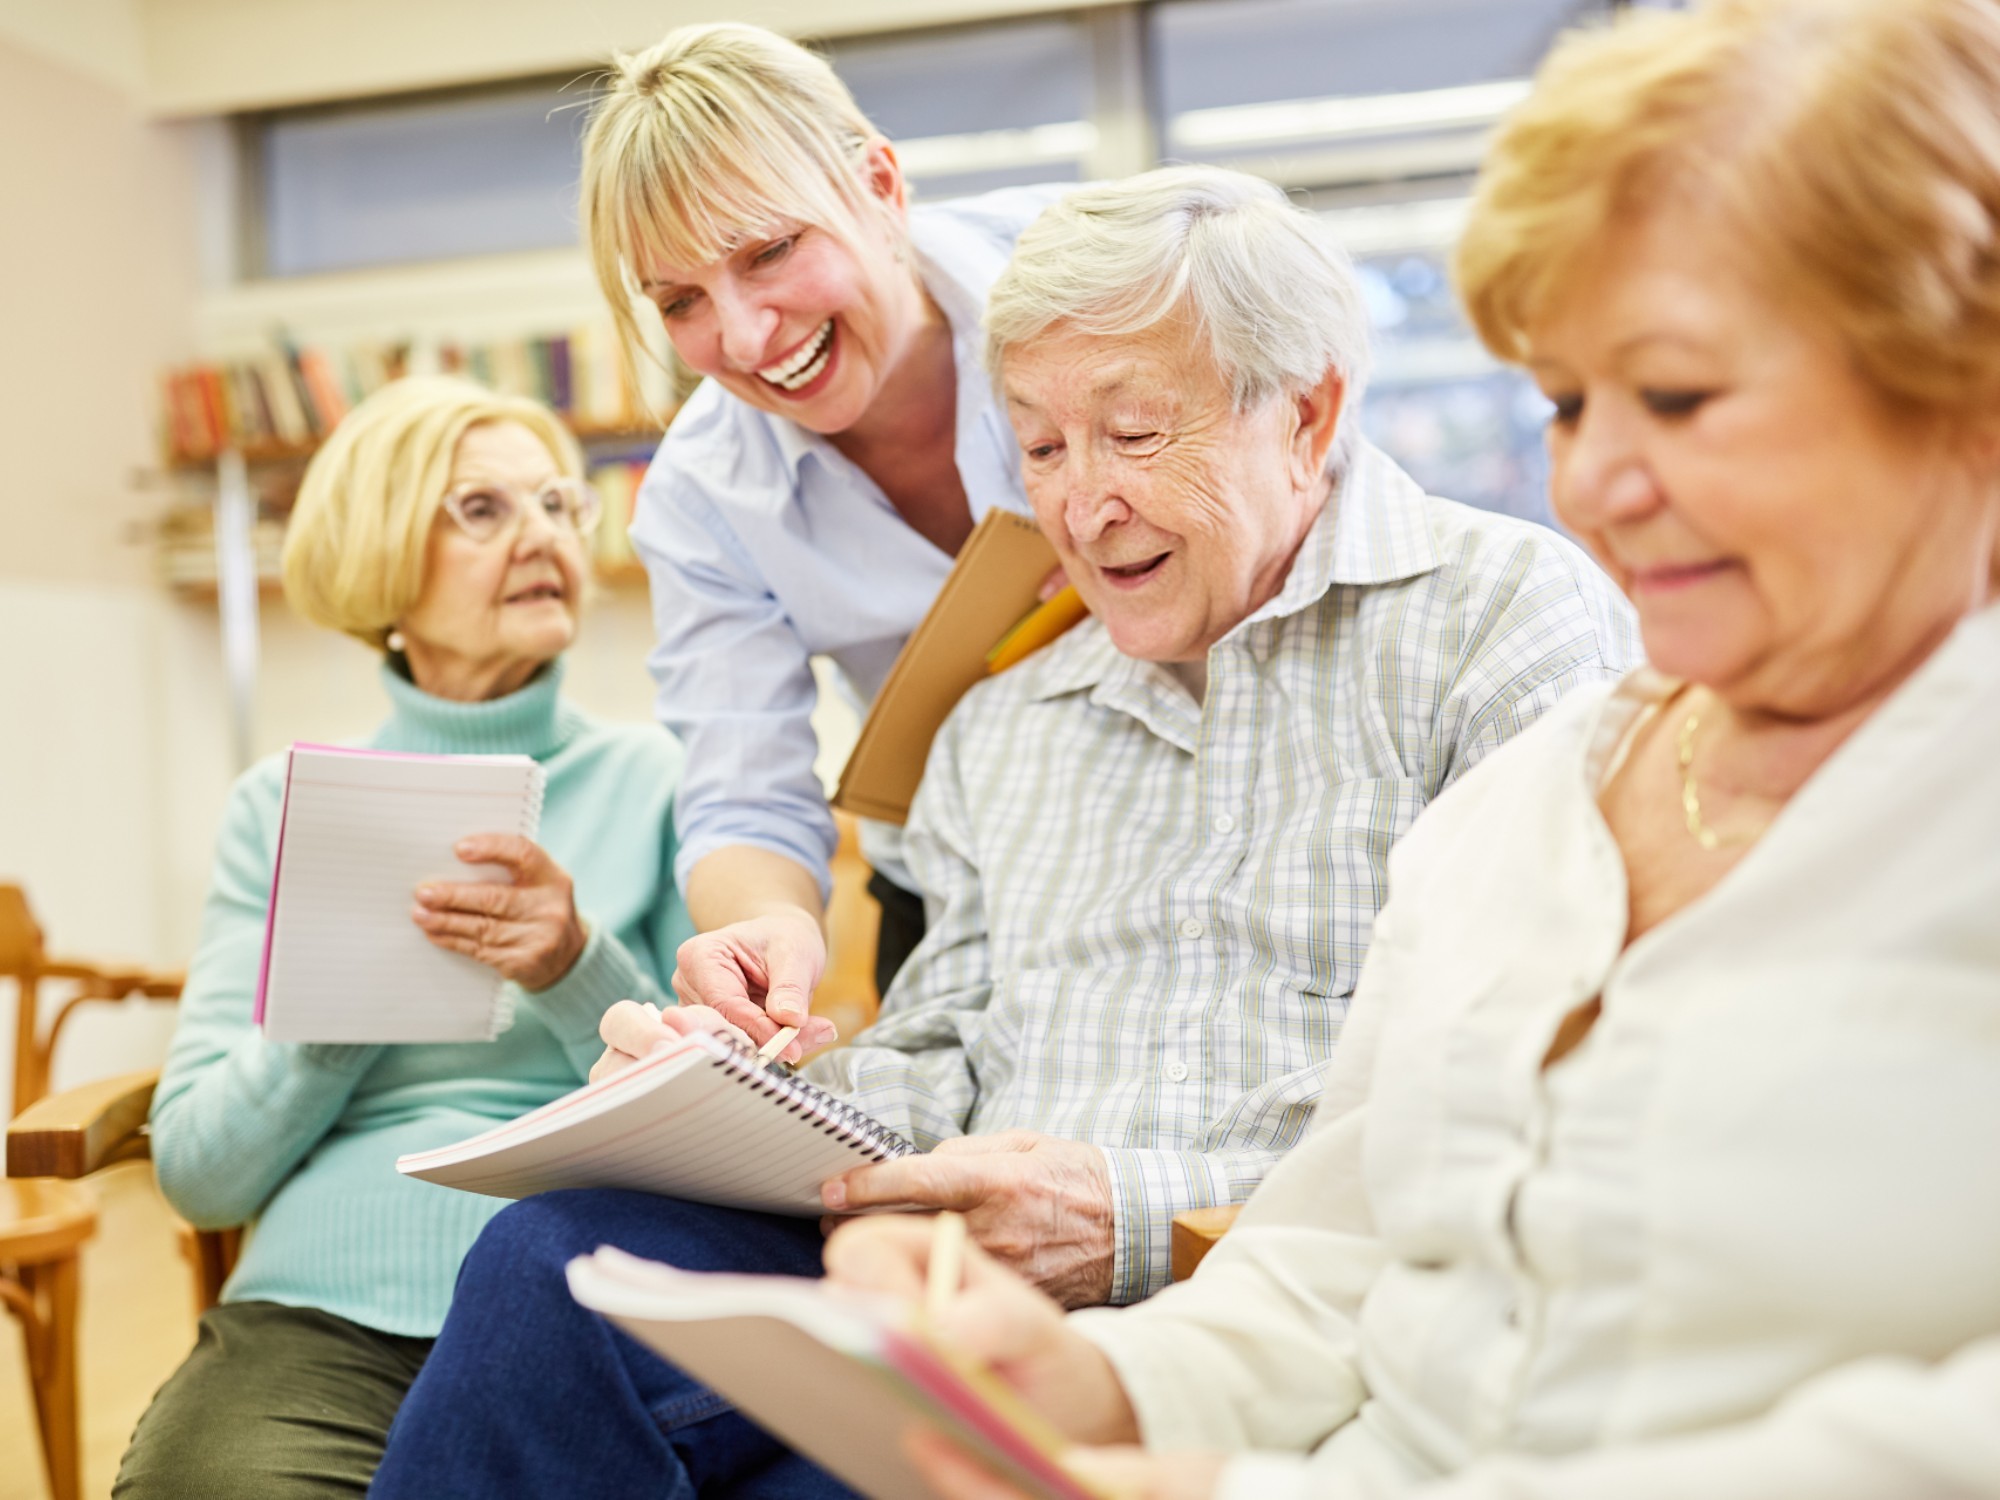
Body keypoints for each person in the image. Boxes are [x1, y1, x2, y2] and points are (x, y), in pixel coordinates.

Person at [819, 3, 2000, 1497]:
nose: (1601, 482)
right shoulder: (1533, 804)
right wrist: (1110, 1382)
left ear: (1961, 377)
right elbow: (1341, 1243)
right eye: (1569, 402)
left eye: (1683, 395)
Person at [367, 166, 1640, 1499]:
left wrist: (1133, 1218)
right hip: (954, 1287)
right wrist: (740, 1093)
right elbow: (940, 1050)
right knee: (553, 1261)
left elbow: (1520, 1103)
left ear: (1307, 412)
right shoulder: (1002, 721)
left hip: (1251, 1307)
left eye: (1135, 435)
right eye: (1038, 447)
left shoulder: (1496, 622)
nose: (1079, 510)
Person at [112, 377, 728, 1499]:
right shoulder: (277, 806)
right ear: (381, 557)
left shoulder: (664, 782)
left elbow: (732, 1127)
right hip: (320, 1317)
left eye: (556, 503)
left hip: (583, 1301)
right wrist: (342, 1006)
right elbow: (200, 1175)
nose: (541, 533)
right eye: (481, 510)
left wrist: (572, 966)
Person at [584, 21, 1068, 1017]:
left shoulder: (1089, 282)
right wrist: (764, 929)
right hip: (960, 896)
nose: (744, 336)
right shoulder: (701, 497)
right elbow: (742, 790)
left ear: (880, 187)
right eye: (679, 301)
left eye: (769, 250)